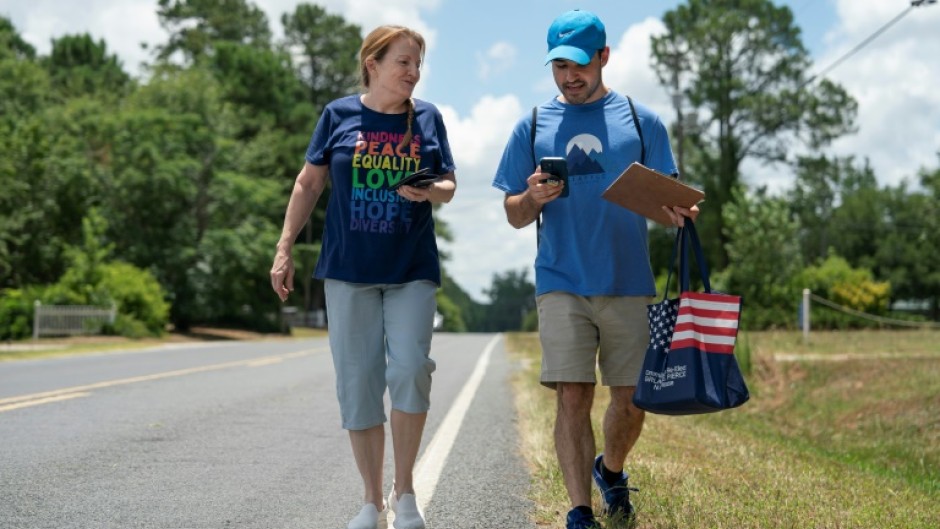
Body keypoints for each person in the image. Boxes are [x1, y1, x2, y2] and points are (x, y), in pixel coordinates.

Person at [492, 9, 698, 529]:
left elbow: (667, 203)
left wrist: (679, 212)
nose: (569, 76)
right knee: (572, 393)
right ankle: (579, 508)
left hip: (628, 281)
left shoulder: (642, 121)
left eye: (579, 64)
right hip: (560, 280)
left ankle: (610, 468)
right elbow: (514, 215)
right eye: (559, 66)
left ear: (604, 57)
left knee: (631, 401)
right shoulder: (533, 125)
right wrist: (532, 198)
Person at [270, 25, 456, 529]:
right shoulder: (338, 114)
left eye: (418, 64)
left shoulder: (427, 118)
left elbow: (448, 184)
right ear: (373, 63)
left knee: (411, 368)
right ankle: (371, 501)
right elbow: (309, 182)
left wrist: (429, 191)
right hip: (348, 271)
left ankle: (406, 492)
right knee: (359, 383)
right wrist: (284, 247)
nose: (413, 73)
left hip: (410, 268)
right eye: (403, 62)